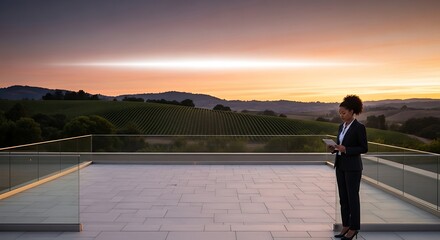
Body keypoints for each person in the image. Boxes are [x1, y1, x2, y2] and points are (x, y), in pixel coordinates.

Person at [328, 95, 368, 240]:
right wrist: (334, 148)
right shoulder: (341, 127)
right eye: (340, 113)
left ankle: (354, 228)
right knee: (343, 198)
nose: (341, 115)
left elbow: (364, 148)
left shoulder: (359, 127)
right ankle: (346, 225)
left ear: (352, 111)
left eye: (343, 113)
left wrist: (346, 149)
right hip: (340, 166)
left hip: (353, 168)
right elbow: (341, 146)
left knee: (352, 198)